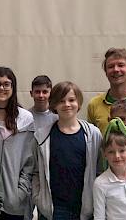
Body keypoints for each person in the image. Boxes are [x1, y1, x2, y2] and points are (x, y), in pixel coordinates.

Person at [32, 81, 102, 220]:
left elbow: (99, 170)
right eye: (61, 101)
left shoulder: (93, 134)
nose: (67, 104)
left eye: (71, 100)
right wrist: (39, 198)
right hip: (53, 210)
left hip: (84, 209)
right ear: (54, 105)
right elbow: (35, 172)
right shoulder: (42, 136)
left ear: (79, 102)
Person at [0, 67, 36, 220]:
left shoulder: (25, 118)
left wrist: (20, 192)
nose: (1, 88)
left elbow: (30, 160)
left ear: (13, 88)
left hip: (15, 201)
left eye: (7, 84)